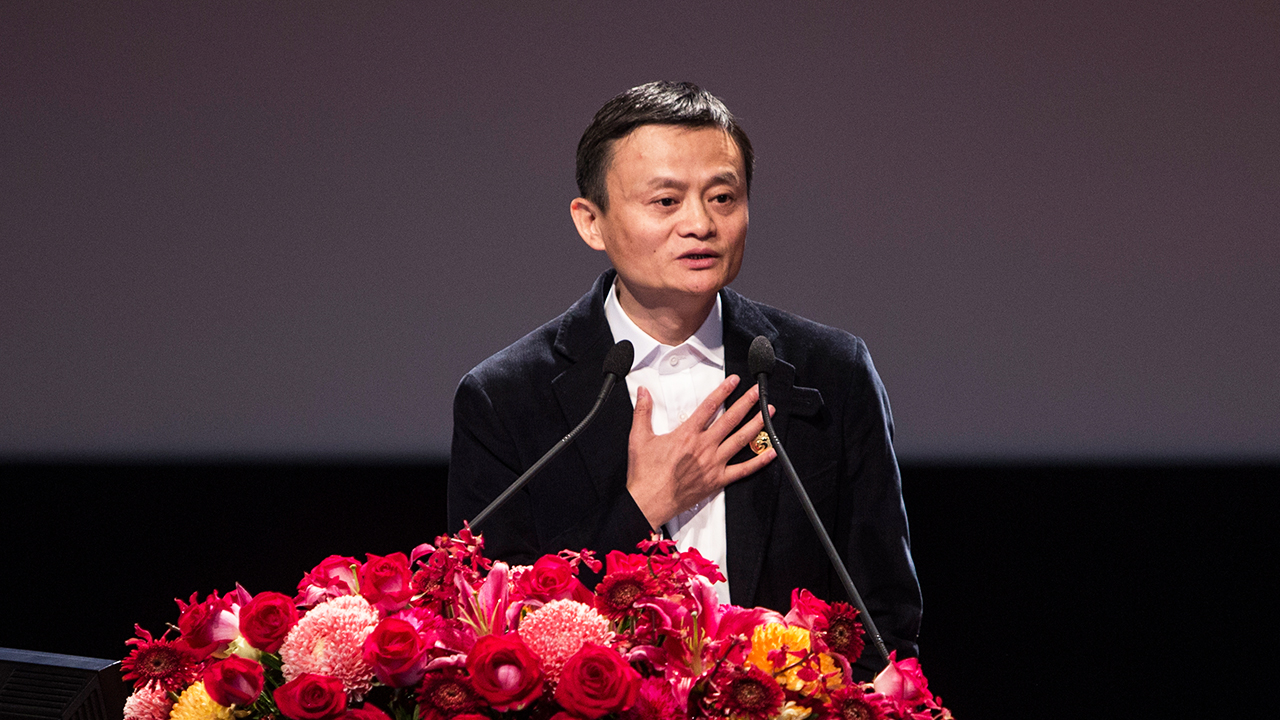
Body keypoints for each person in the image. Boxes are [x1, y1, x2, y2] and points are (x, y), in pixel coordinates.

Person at [448, 81, 921, 671]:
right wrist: (642, 505)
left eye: (723, 197)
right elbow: (496, 633)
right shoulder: (505, 399)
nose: (700, 223)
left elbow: (884, 613)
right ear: (591, 222)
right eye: (666, 202)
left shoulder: (831, 374)